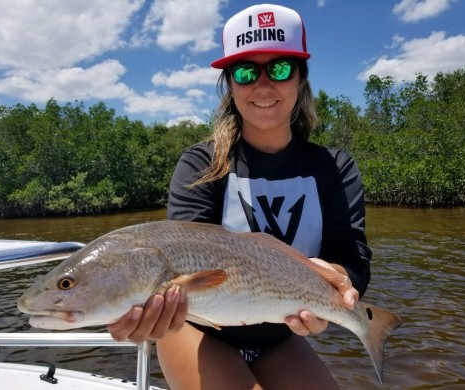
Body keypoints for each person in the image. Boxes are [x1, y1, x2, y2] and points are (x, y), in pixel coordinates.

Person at [109, 4, 371, 389]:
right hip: (199, 331)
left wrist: (342, 285)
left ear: (301, 78)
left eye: (280, 68)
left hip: (283, 334)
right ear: (229, 84)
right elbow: (183, 253)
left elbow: (352, 257)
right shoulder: (202, 163)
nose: (263, 86)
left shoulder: (335, 167)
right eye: (246, 72)